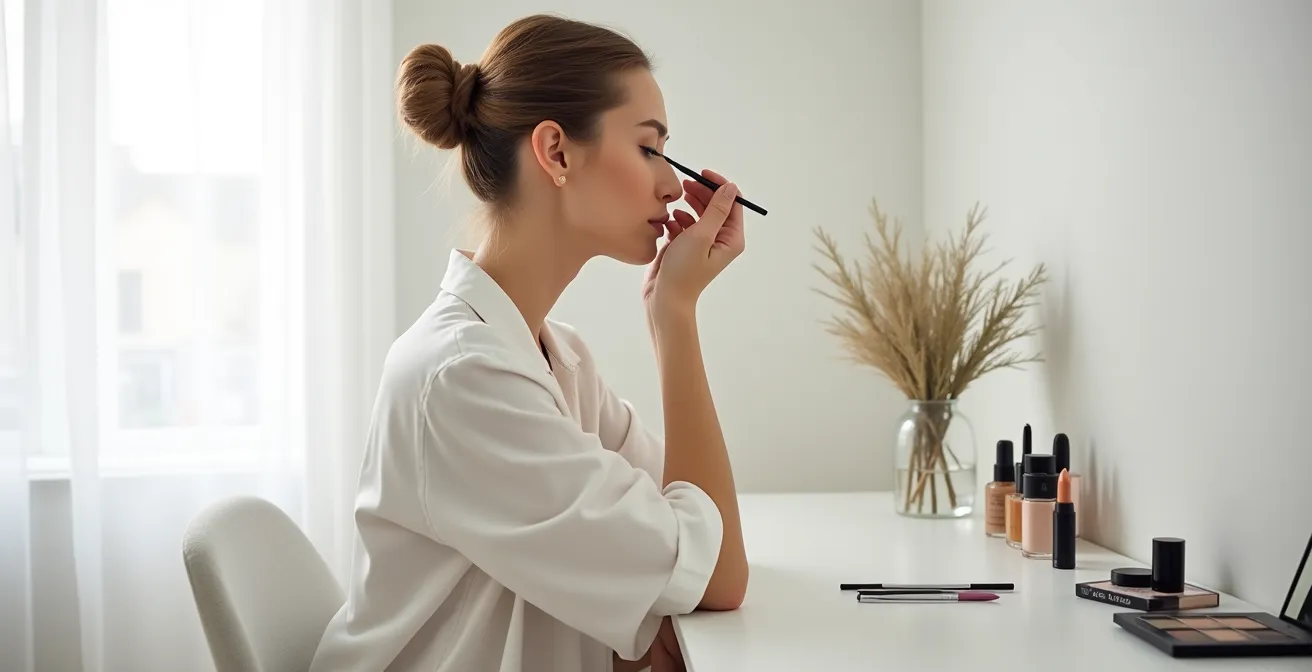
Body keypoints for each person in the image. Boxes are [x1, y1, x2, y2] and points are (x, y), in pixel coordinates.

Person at [309, 13, 749, 672]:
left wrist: (667, 313)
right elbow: (712, 575)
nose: (671, 184)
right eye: (650, 148)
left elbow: (703, 547)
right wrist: (676, 316)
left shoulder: (552, 356)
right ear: (557, 152)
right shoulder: (465, 378)